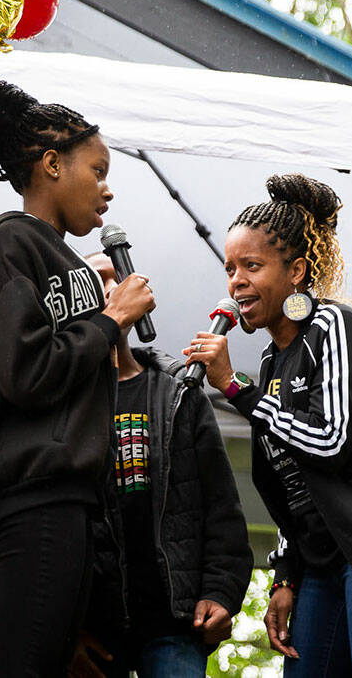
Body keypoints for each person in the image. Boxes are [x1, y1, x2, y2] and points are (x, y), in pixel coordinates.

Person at [184, 174, 352, 678]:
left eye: (251, 266)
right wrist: (285, 573)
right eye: (229, 268)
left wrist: (236, 389)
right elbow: (293, 483)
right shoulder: (270, 364)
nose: (235, 281)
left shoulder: (334, 326)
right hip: (324, 560)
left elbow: (329, 441)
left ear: (297, 270)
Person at [0, 81, 155, 677]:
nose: (107, 188)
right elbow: (28, 371)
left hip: (69, 505)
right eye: (96, 170)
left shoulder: (62, 262)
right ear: (50, 165)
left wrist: (98, 302)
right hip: (37, 498)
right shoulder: (12, 241)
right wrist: (113, 318)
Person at [73, 255, 254, 678]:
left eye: (114, 277)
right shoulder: (62, 400)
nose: (108, 288)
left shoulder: (178, 393)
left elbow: (221, 506)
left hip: (175, 624)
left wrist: (221, 593)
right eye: (93, 281)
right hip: (92, 627)